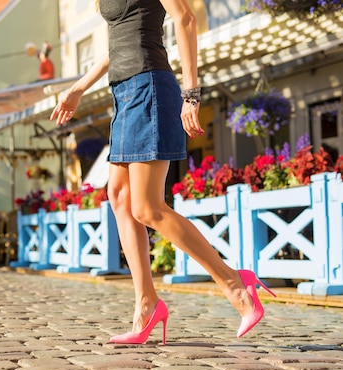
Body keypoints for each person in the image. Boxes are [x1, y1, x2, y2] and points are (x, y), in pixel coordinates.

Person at [51, 0, 276, 345]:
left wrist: (192, 94)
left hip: (150, 87)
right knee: (119, 197)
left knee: (147, 207)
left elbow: (185, 17)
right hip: (123, 92)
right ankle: (147, 304)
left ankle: (234, 283)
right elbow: (117, 43)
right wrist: (79, 87)